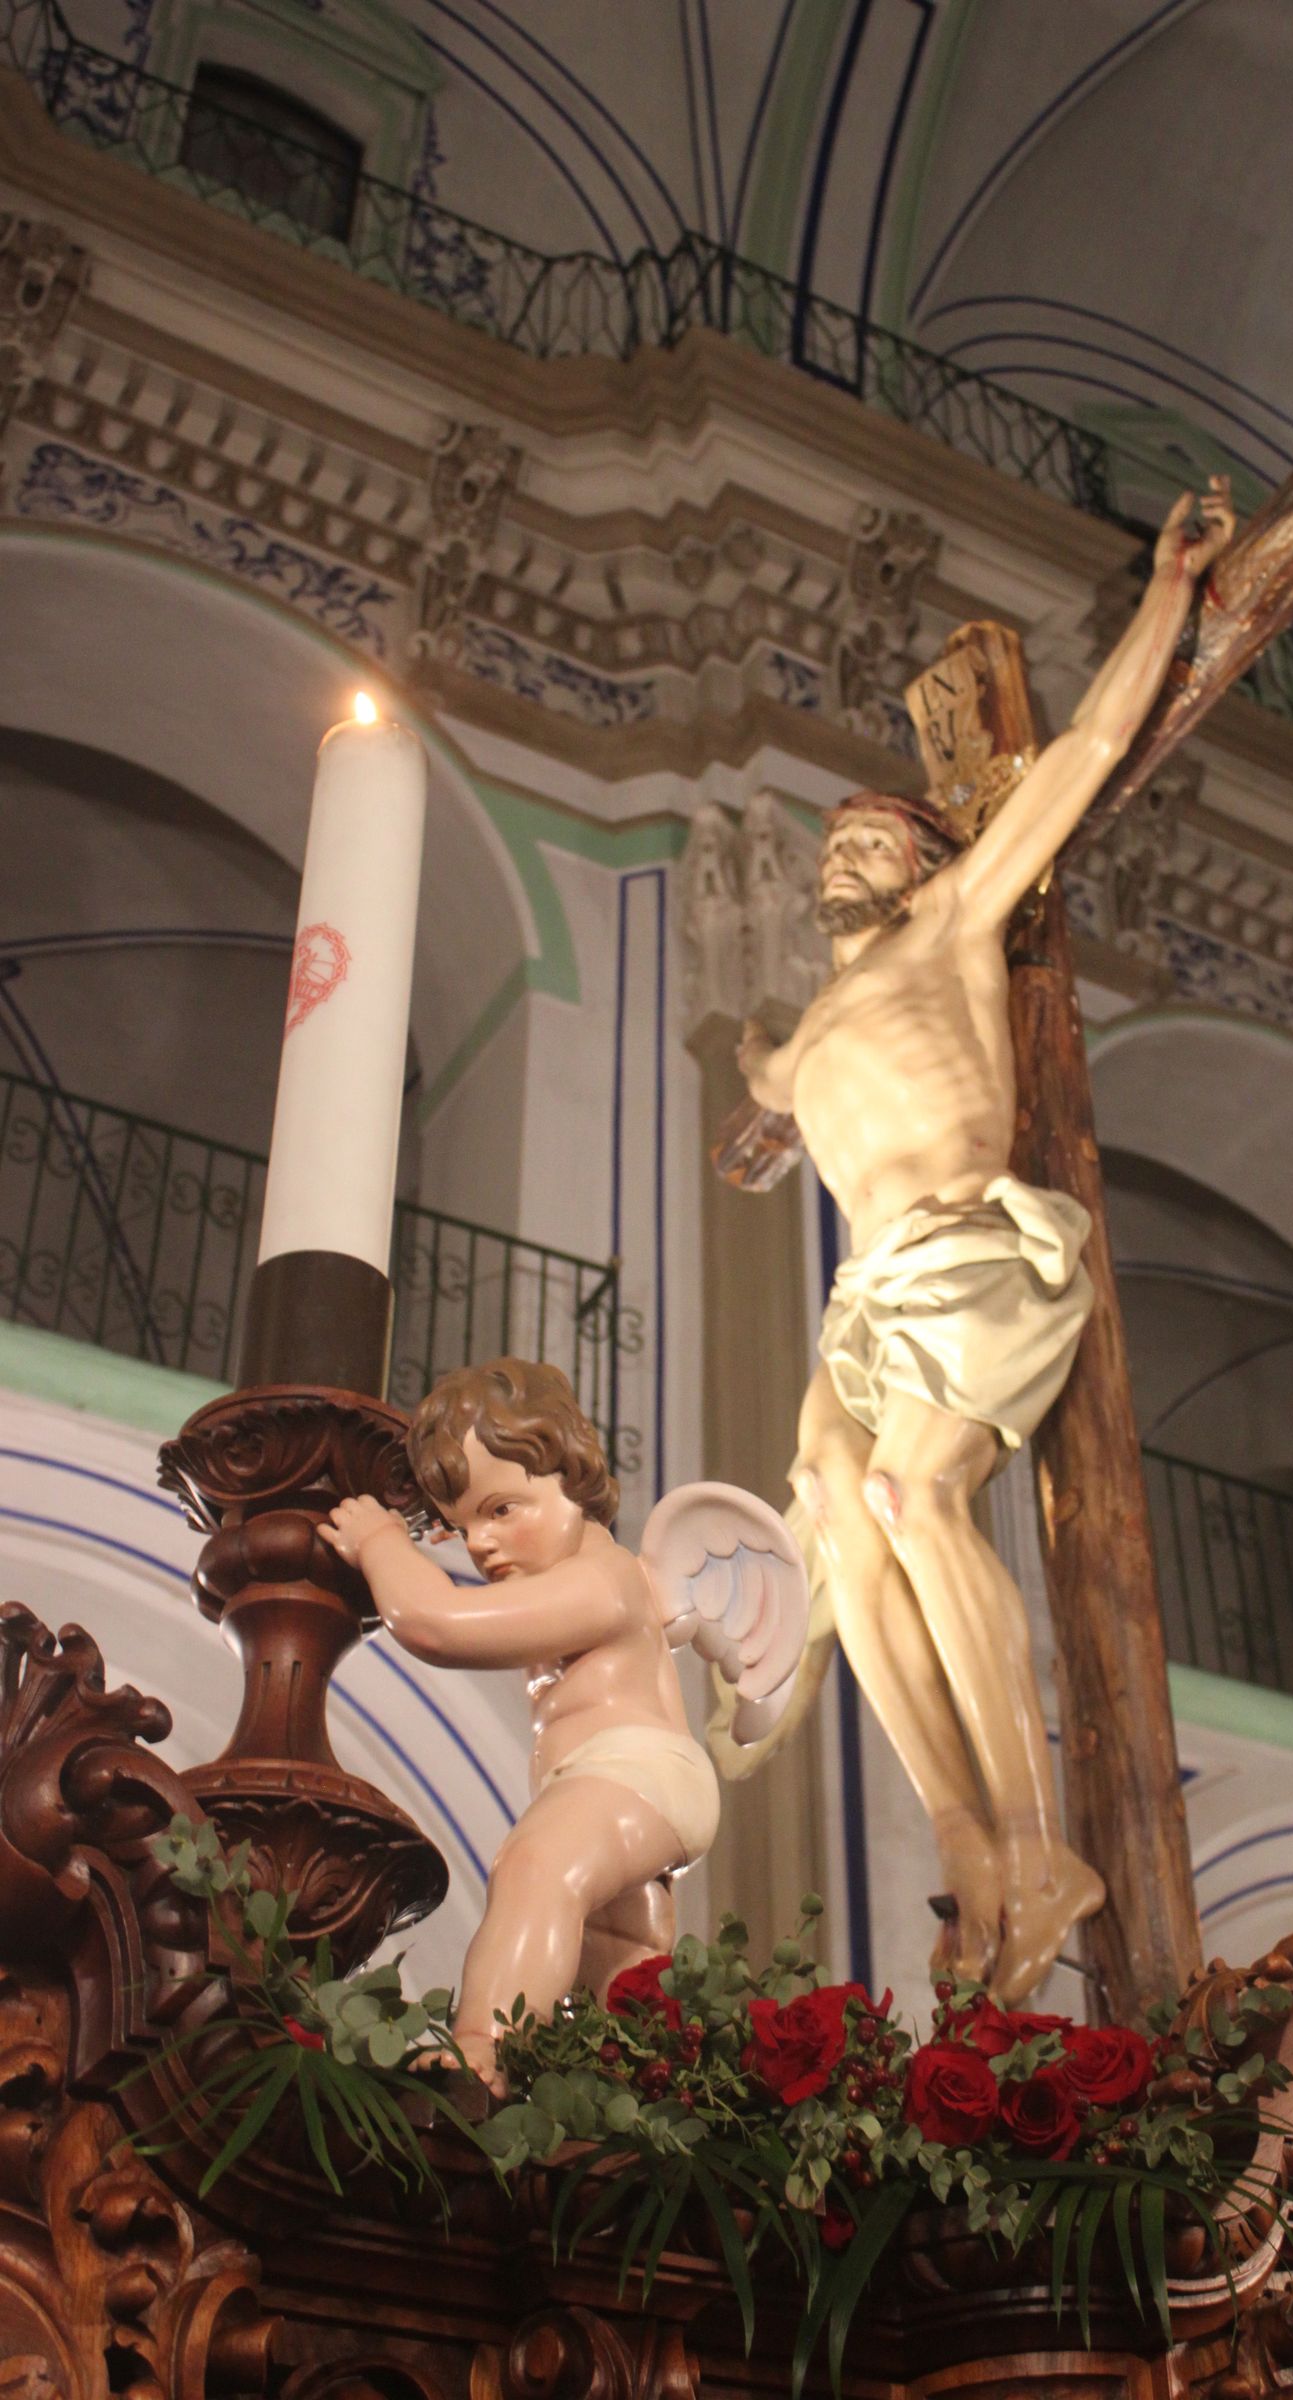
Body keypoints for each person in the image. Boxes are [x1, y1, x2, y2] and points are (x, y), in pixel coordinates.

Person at [735, 479, 1235, 2003]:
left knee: (915, 1491)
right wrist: (766, 1100)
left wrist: (1169, 596)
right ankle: (965, 1840)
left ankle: (1039, 1834)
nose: (849, 855)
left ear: (922, 857)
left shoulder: (957, 921)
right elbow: (773, 1108)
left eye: (874, 839)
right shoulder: (800, 1038)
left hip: (967, 1249)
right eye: (834, 846)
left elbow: (1084, 754)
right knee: (831, 1497)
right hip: (863, 1300)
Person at [320, 1357, 718, 2094]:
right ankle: (631, 2091)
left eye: (501, 1510)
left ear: (572, 1480)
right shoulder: (571, 1580)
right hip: (614, 1780)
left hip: (638, 1770)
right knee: (616, 1958)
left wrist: (383, 1545)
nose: (478, 1543)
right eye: (460, 1524)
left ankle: (482, 2049)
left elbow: (438, 1624)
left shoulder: (603, 1580)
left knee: (536, 1867)